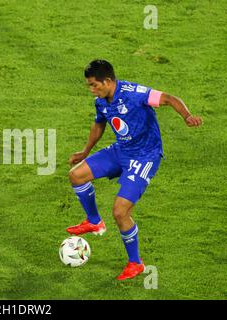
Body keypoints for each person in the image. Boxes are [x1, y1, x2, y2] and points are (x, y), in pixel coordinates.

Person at [67, 60, 202, 280]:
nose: (91, 90)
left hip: (145, 156)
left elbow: (168, 98)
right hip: (122, 151)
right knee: (76, 175)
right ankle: (94, 222)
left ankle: (135, 263)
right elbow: (99, 125)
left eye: (94, 85)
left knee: (120, 212)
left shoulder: (135, 93)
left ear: (108, 81)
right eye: (89, 86)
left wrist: (187, 116)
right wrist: (85, 152)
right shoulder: (101, 101)